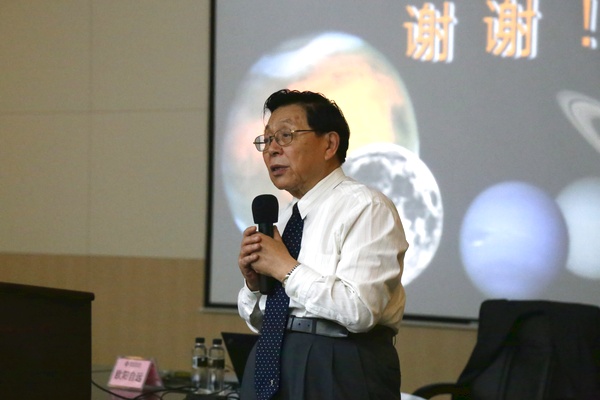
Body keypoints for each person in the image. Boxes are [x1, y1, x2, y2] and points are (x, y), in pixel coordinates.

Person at [237, 89, 408, 400]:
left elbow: (359, 310)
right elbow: (258, 319)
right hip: (271, 359)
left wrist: (285, 269)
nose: (271, 149)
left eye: (285, 135)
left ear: (329, 144)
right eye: (267, 139)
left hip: (338, 363)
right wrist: (255, 284)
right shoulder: (287, 217)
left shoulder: (367, 207)